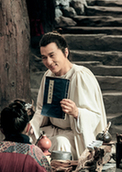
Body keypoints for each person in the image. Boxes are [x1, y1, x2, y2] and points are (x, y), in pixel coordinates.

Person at [30, 31, 108, 160]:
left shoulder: (80, 75)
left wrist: (77, 112)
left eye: (52, 55)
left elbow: (96, 116)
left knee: (61, 142)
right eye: (44, 57)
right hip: (52, 128)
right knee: (29, 135)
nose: (48, 62)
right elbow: (41, 109)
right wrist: (32, 125)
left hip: (74, 133)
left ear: (65, 52)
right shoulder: (48, 75)